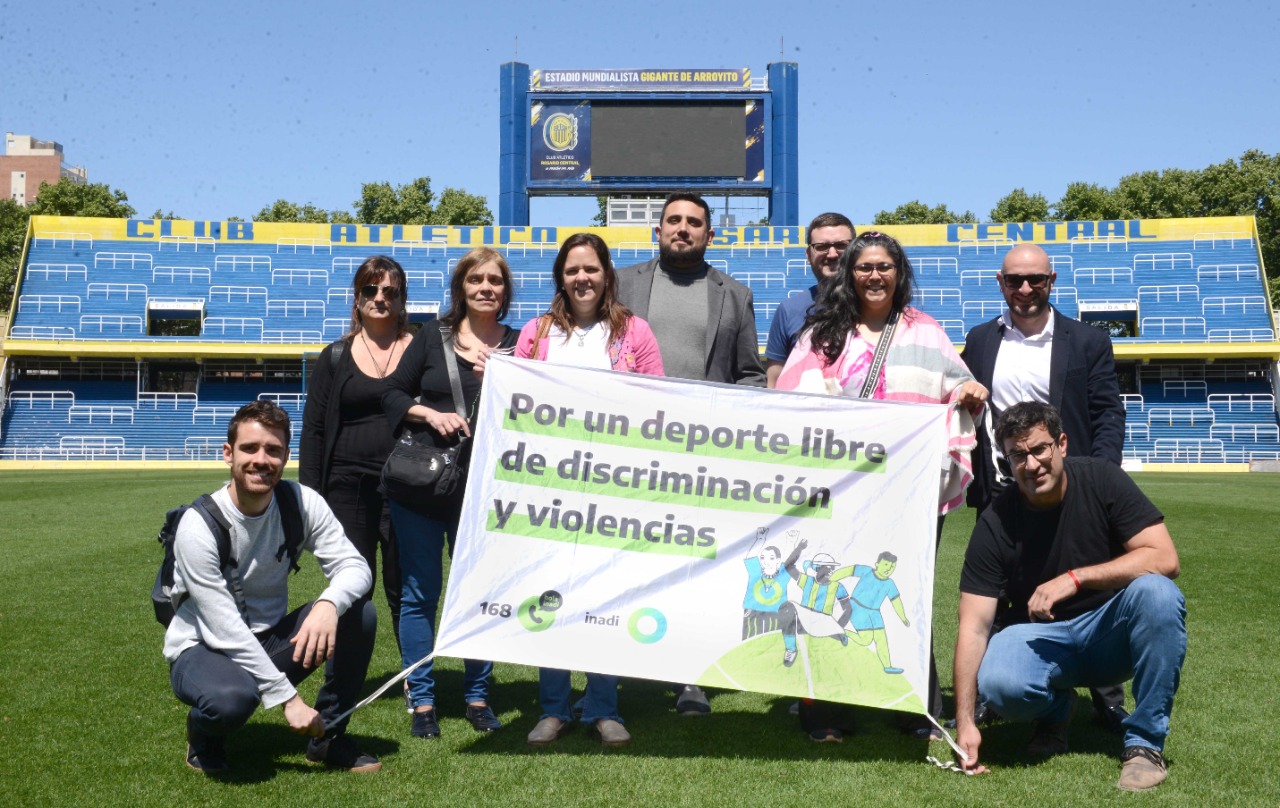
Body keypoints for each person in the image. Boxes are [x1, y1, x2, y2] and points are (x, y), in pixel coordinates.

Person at [776, 230, 987, 741]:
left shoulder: (925, 331)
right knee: (828, 592)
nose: (874, 275)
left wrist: (966, 389)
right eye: (864, 266)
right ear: (849, 273)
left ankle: (914, 708)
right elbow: (791, 394)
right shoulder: (825, 332)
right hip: (842, 494)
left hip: (908, 495)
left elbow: (952, 381)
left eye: (884, 267)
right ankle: (826, 712)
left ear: (899, 273)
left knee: (908, 595)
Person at [954, 402, 1186, 792]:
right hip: (1042, 639)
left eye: (1040, 449)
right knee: (998, 682)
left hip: (1109, 633)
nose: (1031, 464)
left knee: (1158, 593)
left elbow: (1165, 557)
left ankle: (1144, 746)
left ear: (1061, 443)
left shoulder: (1102, 479)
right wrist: (965, 723)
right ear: (1006, 460)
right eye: (1018, 455)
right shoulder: (996, 520)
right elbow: (973, 626)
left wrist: (1077, 579)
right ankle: (1058, 711)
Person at [963, 242, 1129, 732]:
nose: (1026, 289)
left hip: (1073, 489)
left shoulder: (1087, 341)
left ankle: (1108, 697)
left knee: (1093, 586)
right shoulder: (979, 340)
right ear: (1001, 283)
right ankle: (1008, 688)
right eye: (1015, 280)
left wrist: (1098, 479)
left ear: (1052, 281)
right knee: (1007, 589)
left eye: (1036, 279)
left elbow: (1107, 412)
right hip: (1002, 491)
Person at [507, 232, 664, 748]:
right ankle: (553, 708)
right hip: (549, 489)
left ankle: (602, 707)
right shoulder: (537, 332)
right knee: (549, 593)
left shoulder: (634, 332)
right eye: (573, 269)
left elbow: (658, 403)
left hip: (614, 490)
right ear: (561, 276)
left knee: (603, 595)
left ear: (607, 275)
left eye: (591, 269)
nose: (582, 278)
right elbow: (517, 406)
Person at [164, 400, 380, 774]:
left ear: (285, 457)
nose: (261, 459)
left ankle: (328, 737)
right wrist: (287, 699)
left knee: (359, 612)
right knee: (231, 700)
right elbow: (224, 626)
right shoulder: (198, 525)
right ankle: (202, 736)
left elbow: (355, 566)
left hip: (269, 641)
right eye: (249, 448)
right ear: (228, 454)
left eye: (273, 450)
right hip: (203, 647)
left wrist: (328, 604)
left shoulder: (301, 502)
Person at [614, 191, 766, 714]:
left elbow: (749, 373)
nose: (683, 228)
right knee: (621, 555)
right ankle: (609, 665)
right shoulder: (622, 284)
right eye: (673, 220)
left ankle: (691, 675)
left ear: (709, 233)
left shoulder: (735, 295)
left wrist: (728, 419)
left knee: (696, 564)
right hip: (627, 447)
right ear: (657, 229)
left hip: (703, 456)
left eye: (694, 222)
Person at [382, 247, 518, 739]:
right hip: (421, 487)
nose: (485, 287)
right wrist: (429, 413)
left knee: (480, 594)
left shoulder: (520, 345)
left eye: (495, 281)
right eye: (475, 279)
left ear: (505, 291)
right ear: (461, 288)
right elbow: (391, 393)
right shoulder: (431, 338)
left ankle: (479, 695)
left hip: (485, 490)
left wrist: (501, 378)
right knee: (420, 594)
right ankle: (422, 702)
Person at [301, 256, 413, 646]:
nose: (379, 297)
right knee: (352, 590)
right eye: (370, 289)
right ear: (357, 297)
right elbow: (313, 431)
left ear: (402, 300)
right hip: (346, 491)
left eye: (389, 291)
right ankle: (345, 685)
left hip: (407, 489)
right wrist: (309, 501)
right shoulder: (335, 356)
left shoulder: (422, 352)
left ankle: (417, 687)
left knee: (408, 592)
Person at [765, 212, 856, 388]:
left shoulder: (876, 307)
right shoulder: (789, 310)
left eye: (841, 245)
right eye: (821, 246)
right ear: (808, 254)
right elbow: (774, 384)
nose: (832, 254)